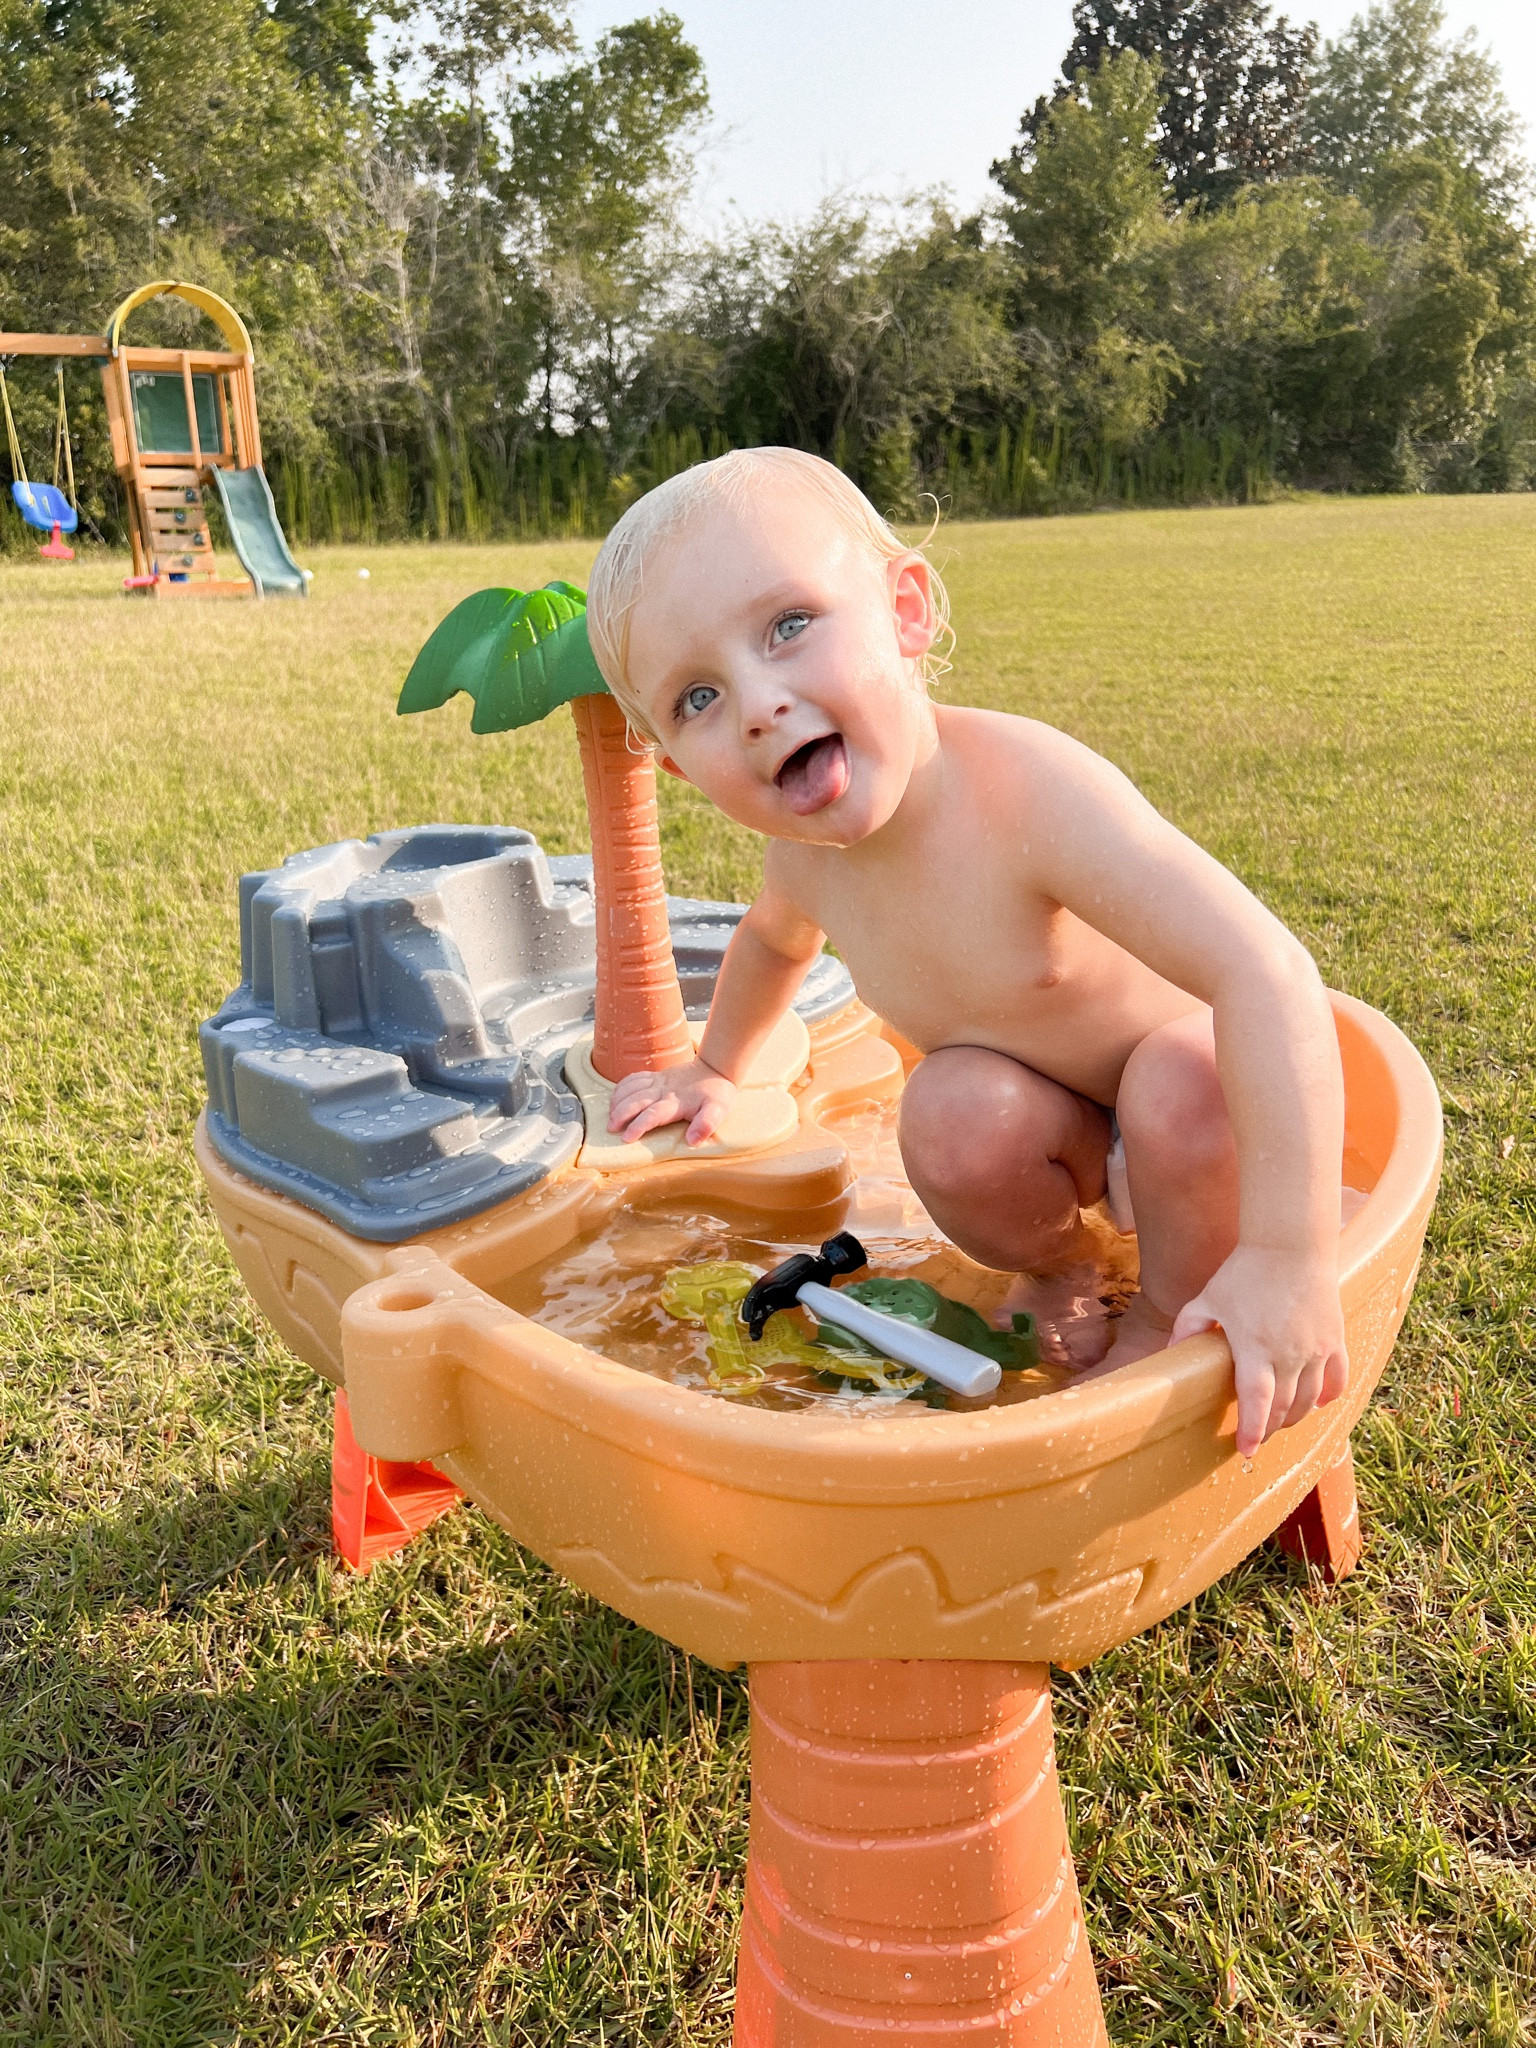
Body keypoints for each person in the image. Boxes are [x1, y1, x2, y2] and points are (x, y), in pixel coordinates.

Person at [585, 448, 1347, 1458]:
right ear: (684, 770)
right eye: (698, 696)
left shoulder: (1027, 798)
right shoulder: (807, 865)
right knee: (946, 1112)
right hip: (1063, 1128)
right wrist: (718, 1067)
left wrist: (1289, 1251)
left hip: (1212, 1121)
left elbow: (1268, 971)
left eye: (791, 625)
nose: (760, 702)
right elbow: (771, 939)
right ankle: (1069, 1261)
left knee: (1181, 1071)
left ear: (905, 612)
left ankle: (1166, 1311)